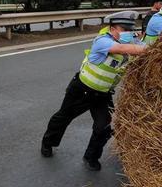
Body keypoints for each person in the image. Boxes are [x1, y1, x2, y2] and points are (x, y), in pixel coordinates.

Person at [40, 11, 146, 171]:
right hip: (82, 90)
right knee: (63, 117)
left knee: (104, 127)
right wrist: (143, 47)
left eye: (129, 29)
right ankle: (48, 143)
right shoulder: (102, 41)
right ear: (112, 28)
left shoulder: (132, 40)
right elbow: (123, 48)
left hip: (102, 94)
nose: (127, 33)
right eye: (123, 29)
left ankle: (91, 157)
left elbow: (142, 47)